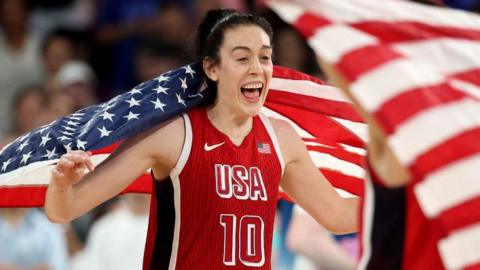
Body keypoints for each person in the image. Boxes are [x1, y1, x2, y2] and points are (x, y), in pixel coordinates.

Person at [45, 9, 359, 269]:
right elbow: (64, 210)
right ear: (211, 67)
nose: (258, 69)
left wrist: (402, 193)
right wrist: (61, 186)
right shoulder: (172, 134)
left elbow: (339, 216)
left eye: (265, 58)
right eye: (242, 58)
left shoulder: (282, 138)